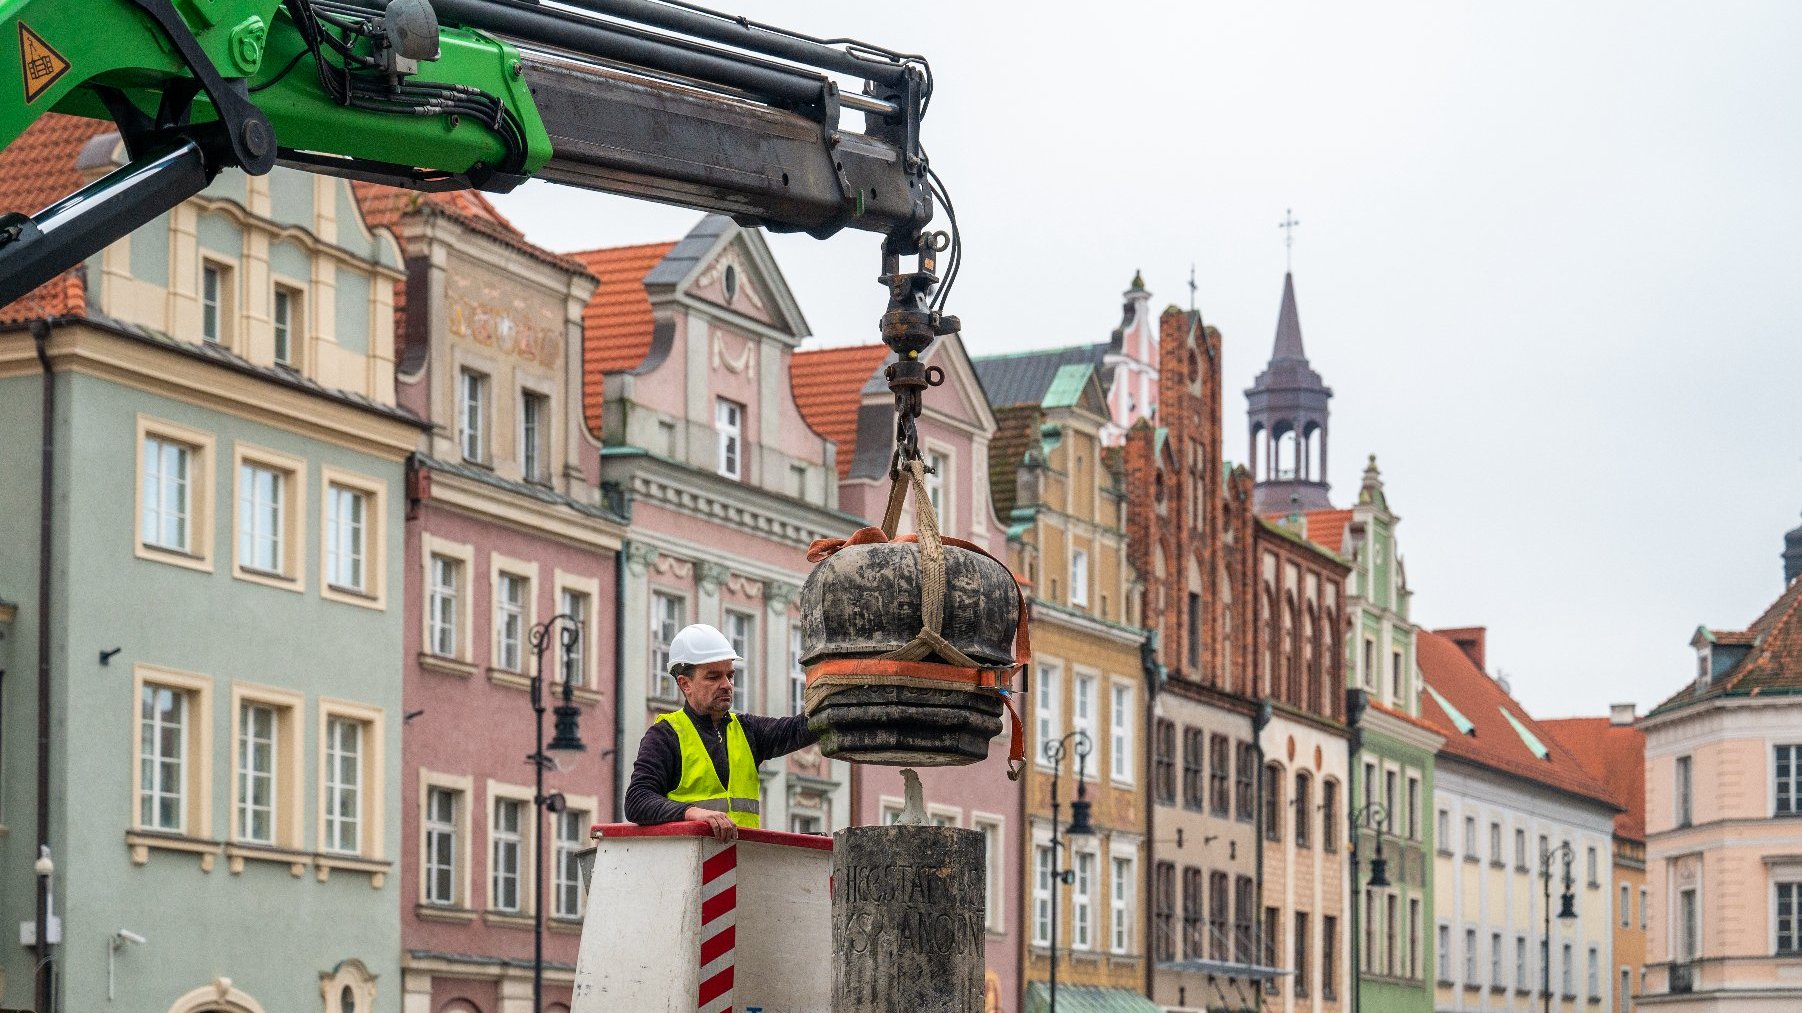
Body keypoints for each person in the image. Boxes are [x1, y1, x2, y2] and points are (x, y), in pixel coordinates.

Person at [625, 623, 818, 841]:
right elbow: (637, 801)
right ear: (685, 683)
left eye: (730, 675)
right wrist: (693, 813)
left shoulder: (748, 730)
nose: (726, 684)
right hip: (687, 868)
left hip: (743, 866)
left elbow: (802, 728)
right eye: (713, 677)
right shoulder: (665, 735)